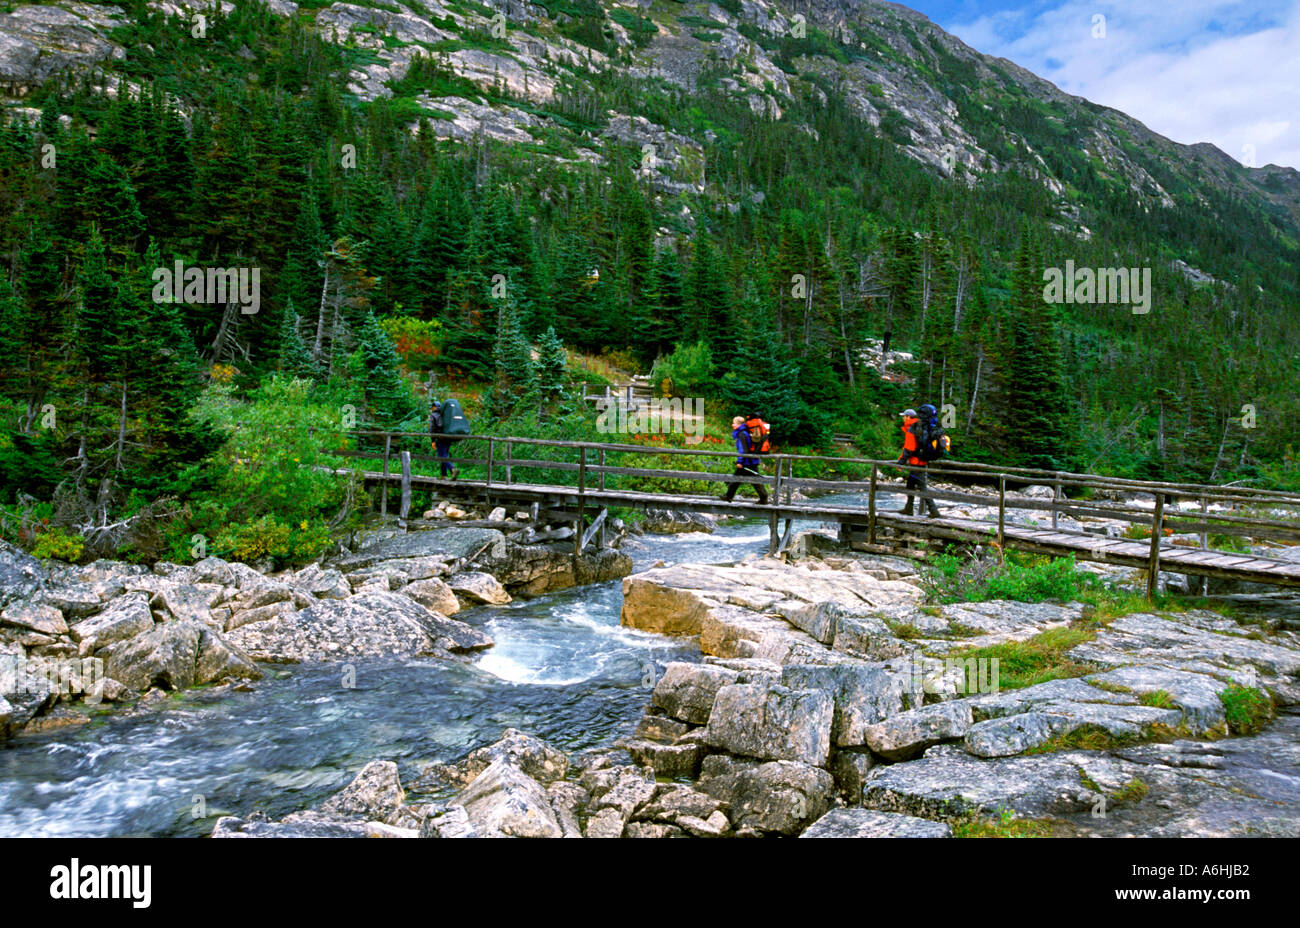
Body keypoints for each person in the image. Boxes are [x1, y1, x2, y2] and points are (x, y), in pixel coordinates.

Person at [898, 406, 940, 517]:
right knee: (910, 485)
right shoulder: (920, 426)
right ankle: (909, 508)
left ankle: (934, 511)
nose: (902, 418)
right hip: (921, 461)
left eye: (904, 416)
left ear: (908, 417)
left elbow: (909, 448)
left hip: (916, 463)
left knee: (922, 488)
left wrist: (900, 463)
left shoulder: (913, 428)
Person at [722, 415, 768, 503]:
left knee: (738, 479)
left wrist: (740, 462)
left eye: (734, 423)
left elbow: (743, 450)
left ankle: (729, 497)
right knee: (751, 480)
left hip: (747, 461)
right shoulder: (745, 432)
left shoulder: (742, 434)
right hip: (751, 460)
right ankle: (763, 498)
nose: (732, 425)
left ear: (739, 424)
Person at [429, 400, 458, 479]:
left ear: (434, 407)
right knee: (444, 455)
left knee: (442, 456)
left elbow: (432, 428)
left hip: (440, 438)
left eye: (432, 407)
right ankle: (443, 475)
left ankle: (453, 469)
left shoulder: (433, 415)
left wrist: (432, 440)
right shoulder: (445, 414)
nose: (431, 409)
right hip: (448, 437)